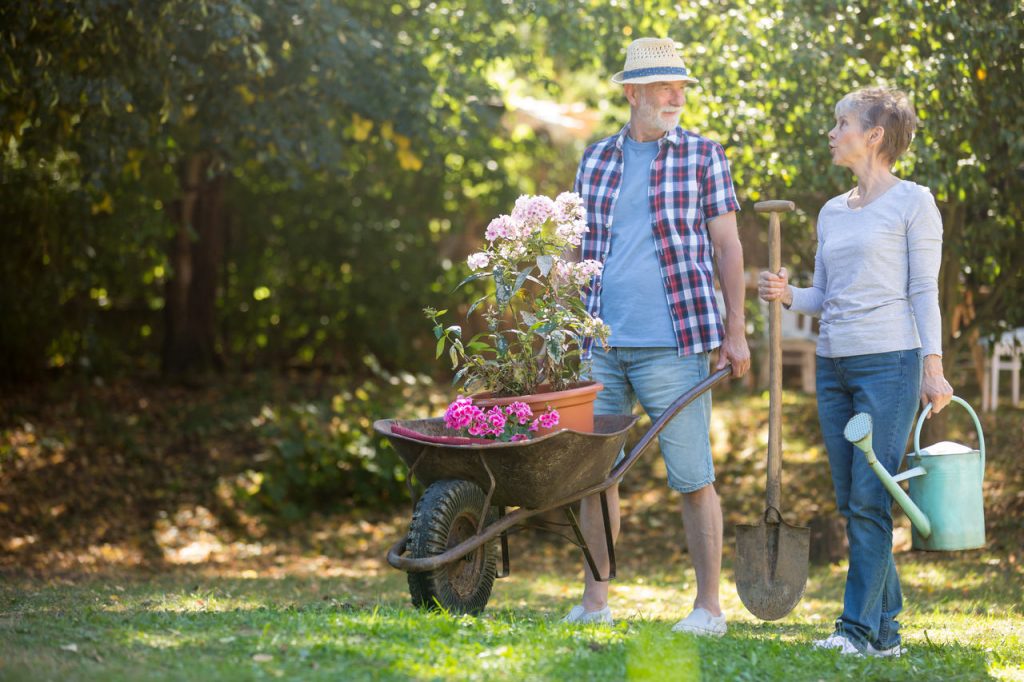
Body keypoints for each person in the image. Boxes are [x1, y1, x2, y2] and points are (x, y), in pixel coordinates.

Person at [563, 37, 750, 636]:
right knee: (595, 477)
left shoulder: (703, 156)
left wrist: (736, 332)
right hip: (602, 345)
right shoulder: (594, 160)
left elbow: (728, 247)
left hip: (678, 341)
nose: (676, 97)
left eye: (681, 87)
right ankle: (595, 602)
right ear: (632, 93)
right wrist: (564, 323)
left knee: (693, 477)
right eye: (665, 87)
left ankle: (708, 610)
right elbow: (576, 250)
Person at [758, 86, 954, 657]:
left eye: (841, 123)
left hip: (891, 363)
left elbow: (924, 289)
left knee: (871, 499)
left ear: (874, 135)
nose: (831, 132)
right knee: (853, 502)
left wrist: (932, 368)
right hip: (833, 364)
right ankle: (886, 632)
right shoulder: (831, 211)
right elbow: (825, 294)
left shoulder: (914, 202)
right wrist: (789, 293)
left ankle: (855, 630)